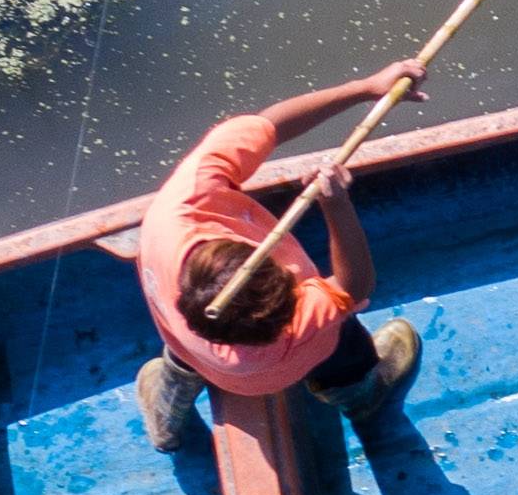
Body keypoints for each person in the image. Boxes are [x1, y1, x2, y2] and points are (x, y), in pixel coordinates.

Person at [133, 64, 430, 454]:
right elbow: (354, 285)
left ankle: (167, 417)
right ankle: (361, 396)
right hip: (277, 367)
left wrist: (366, 88)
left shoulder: (181, 204)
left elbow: (265, 127)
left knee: (183, 355)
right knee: (342, 345)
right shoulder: (301, 325)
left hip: (189, 343)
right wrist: (337, 205)